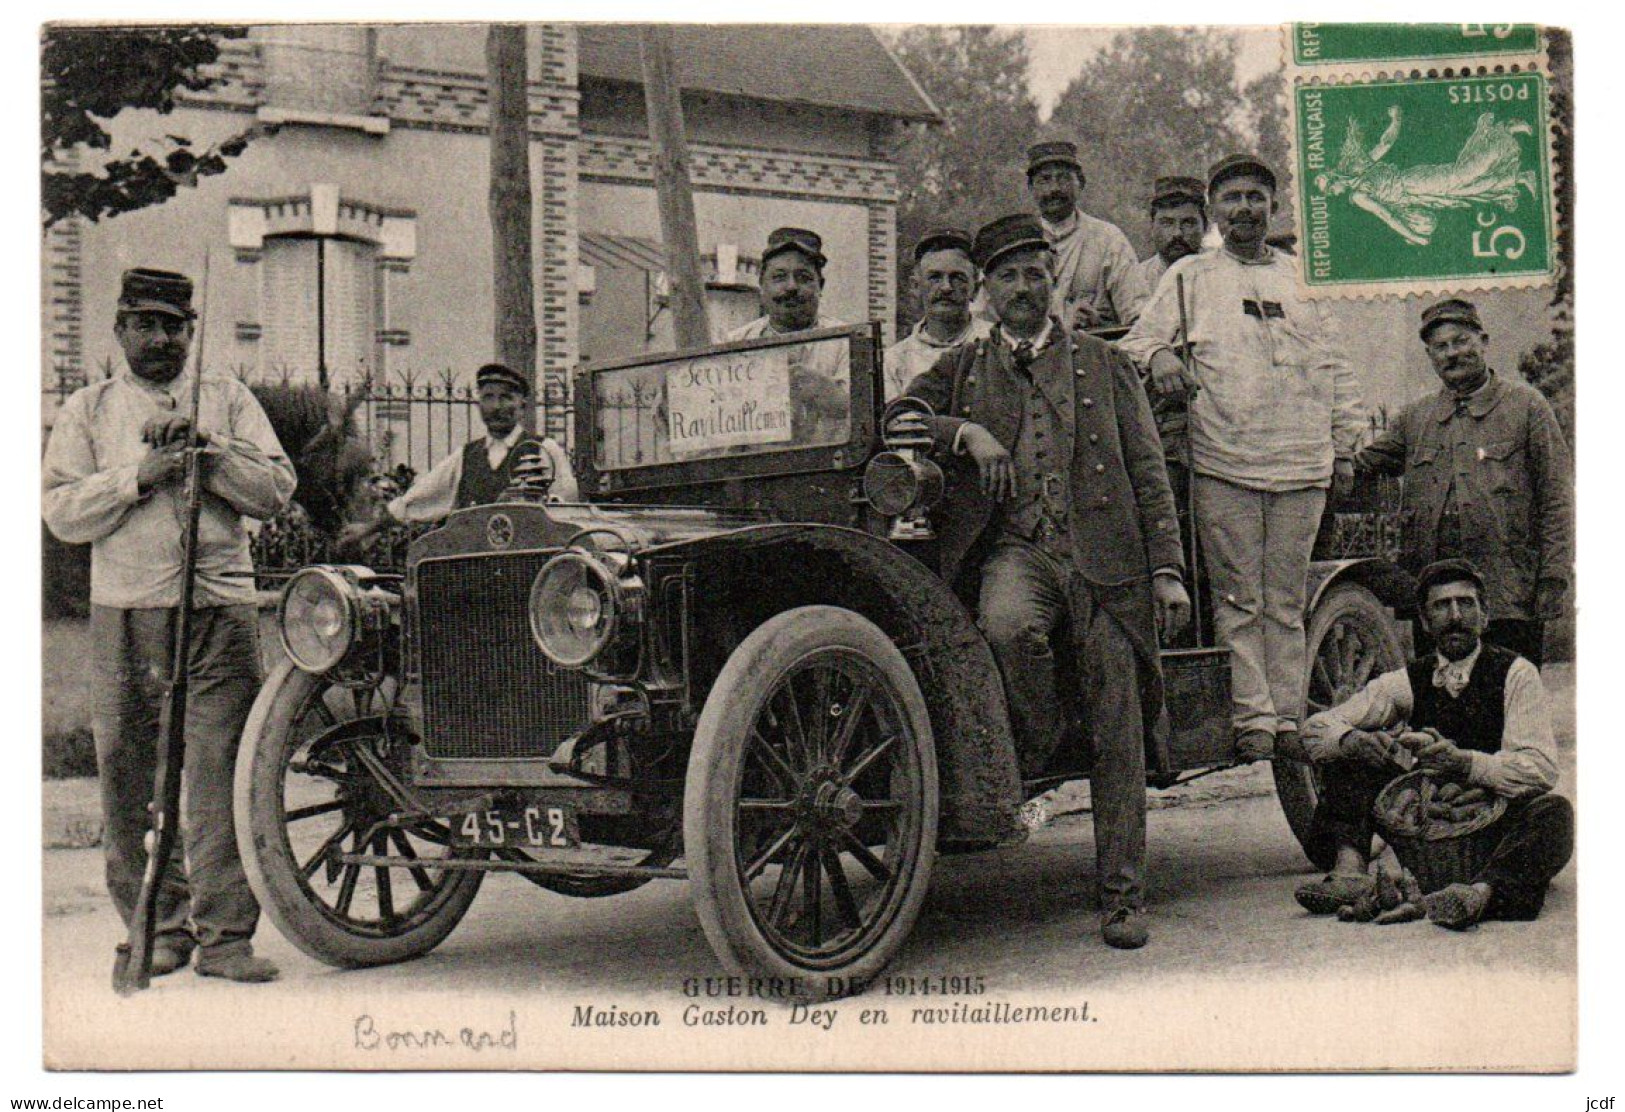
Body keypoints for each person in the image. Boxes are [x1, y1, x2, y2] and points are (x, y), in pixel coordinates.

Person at [902, 214, 1189, 950]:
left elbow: (1150, 473)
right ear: (987, 293)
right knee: (1003, 628)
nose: (1023, 289)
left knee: (1119, 726)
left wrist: (1165, 571)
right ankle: (1040, 737)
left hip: (1107, 564)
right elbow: (898, 415)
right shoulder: (963, 369)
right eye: (1007, 278)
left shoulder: (1103, 361)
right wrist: (963, 432)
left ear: (1051, 283)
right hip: (1018, 553)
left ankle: (1123, 897)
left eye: (1035, 274)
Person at [42, 268, 297, 983]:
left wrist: (206, 450)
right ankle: (155, 926)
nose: (161, 339)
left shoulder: (227, 401)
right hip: (124, 613)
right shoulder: (88, 411)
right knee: (129, 774)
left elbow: (276, 491)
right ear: (119, 330)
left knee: (221, 775)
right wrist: (142, 475)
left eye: (174, 326)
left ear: (191, 331)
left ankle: (224, 938)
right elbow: (60, 512)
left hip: (218, 611)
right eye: (145, 324)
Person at [1121, 154, 1365, 763]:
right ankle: (1252, 718)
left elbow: (1335, 366)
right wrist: (1161, 358)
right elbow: (1136, 341)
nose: (1244, 209)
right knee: (1237, 597)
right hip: (1225, 461)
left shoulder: (1303, 281)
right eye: (1231, 199)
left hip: (1302, 463)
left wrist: (1344, 443)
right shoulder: (1190, 279)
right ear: (1215, 211)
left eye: (1256, 197)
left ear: (1273, 206)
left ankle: (1287, 717)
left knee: (1284, 599)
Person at [1295, 560, 1573, 928]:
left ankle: (1481, 894)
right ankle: (1350, 872)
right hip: (1427, 826)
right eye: (1442, 606)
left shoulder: (1516, 673)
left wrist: (1466, 763)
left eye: (1466, 603)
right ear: (1425, 623)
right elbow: (1317, 729)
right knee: (1351, 753)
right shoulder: (1410, 679)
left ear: (1485, 615)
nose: (1455, 616)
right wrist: (1351, 739)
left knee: (1554, 813)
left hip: (1490, 824)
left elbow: (1541, 769)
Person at [1355, 298, 1572, 665]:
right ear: (1430, 355)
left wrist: (1553, 577)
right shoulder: (1415, 418)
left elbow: (1558, 498)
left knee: (1512, 701)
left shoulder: (1527, 407)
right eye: (1440, 347)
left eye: (1461, 341)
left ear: (1483, 341)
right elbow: (1363, 465)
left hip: (1508, 594)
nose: (1452, 353)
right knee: (1442, 705)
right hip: (1437, 601)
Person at [342, 362, 577, 544]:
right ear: (479, 404)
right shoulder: (466, 456)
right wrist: (368, 529)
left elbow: (567, 513)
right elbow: (418, 498)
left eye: (506, 397)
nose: (496, 407)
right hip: (473, 571)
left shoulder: (544, 450)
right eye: (488, 397)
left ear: (522, 405)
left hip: (529, 570)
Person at [1026, 140, 1151, 331]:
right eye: (1044, 180)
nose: (1054, 189)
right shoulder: (1020, 242)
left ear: (1081, 183)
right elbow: (987, 318)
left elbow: (1138, 315)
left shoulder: (1108, 239)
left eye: (1064, 178)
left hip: (1093, 353)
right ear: (1031, 188)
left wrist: (1100, 324)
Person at [883, 227, 990, 400]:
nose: (946, 287)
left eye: (957, 278)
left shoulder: (996, 342)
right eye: (935, 277)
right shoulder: (894, 361)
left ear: (975, 289)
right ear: (916, 286)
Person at [722, 227, 846, 341]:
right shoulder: (734, 343)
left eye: (803, 277)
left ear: (821, 285)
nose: (791, 286)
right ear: (762, 284)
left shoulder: (846, 342)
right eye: (779, 277)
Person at [1131, 175, 1208, 296]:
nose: (1177, 233)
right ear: (1152, 227)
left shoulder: (1223, 273)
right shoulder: (1135, 282)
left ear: (1205, 226)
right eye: (1167, 223)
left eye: (1188, 223)